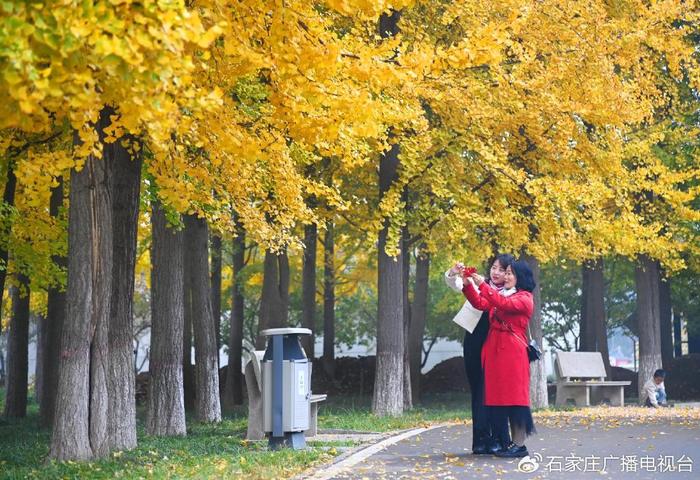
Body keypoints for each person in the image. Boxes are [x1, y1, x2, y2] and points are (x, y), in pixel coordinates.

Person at [462, 260, 537, 458]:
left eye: (510, 273)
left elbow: (502, 304)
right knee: (498, 398)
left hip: (512, 355)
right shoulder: (503, 294)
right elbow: (480, 303)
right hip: (495, 353)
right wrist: (468, 285)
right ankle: (505, 443)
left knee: (515, 400)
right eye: (507, 273)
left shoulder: (524, 298)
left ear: (520, 278)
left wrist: (483, 285)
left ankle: (519, 445)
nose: (506, 276)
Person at [445, 254, 515, 455]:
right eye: (494, 268)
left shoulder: (511, 292)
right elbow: (456, 283)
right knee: (478, 390)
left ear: (509, 274)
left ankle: (495, 438)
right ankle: (480, 441)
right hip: (474, 341)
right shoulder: (479, 283)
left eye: (502, 270)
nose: (496, 272)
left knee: (492, 390)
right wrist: (453, 272)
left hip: (496, 344)